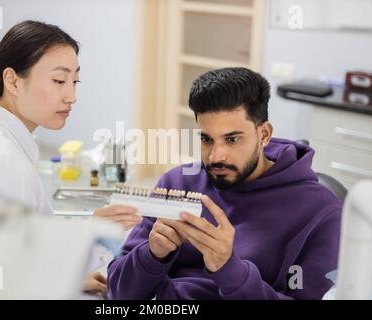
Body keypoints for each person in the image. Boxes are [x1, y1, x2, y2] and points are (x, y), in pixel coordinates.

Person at [0, 20, 141, 296]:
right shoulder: (1, 158)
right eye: (58, 81)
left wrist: (89, 230)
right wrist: (90, 240)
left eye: (74, 81)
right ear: (13, 81)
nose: (72, 96)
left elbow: (14, 250)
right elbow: (5, 281)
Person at [107, 67, 342, 300]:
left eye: (232, 139)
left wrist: (228, 268)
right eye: (206, 139)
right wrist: (152, 256)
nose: (216, 156)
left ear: (264, 134)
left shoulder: (321, 211)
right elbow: (118, 293)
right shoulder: (176, 182)